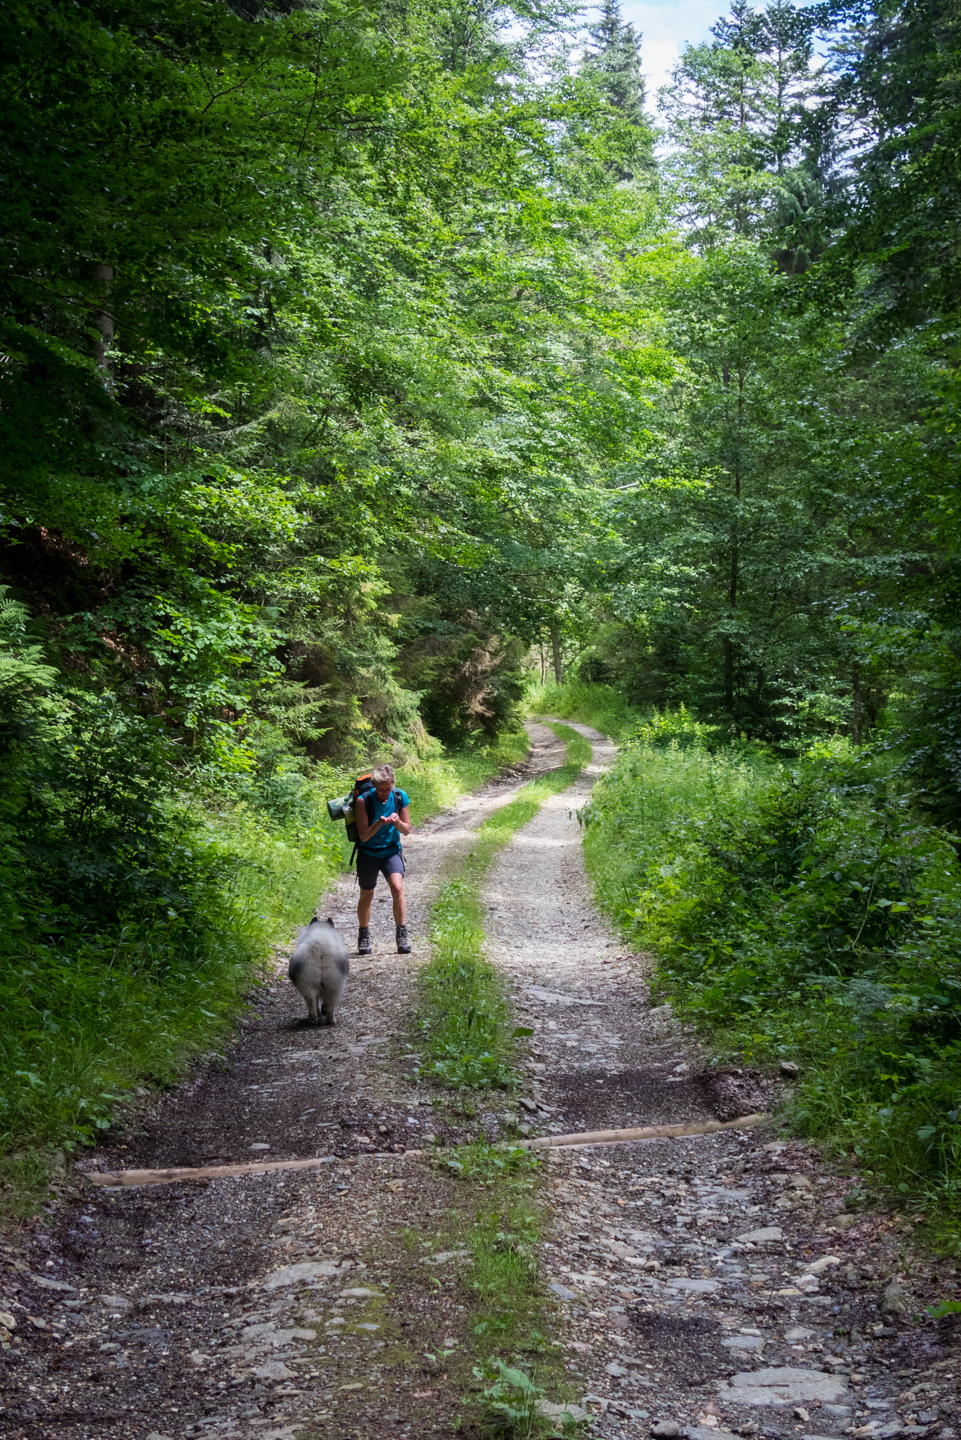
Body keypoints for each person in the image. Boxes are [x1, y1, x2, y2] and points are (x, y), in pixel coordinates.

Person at [354, 763, 412, 955]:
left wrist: (397, 823)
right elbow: (363, 836)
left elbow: (407, 830)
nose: (385, 793)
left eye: (388, 788)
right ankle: (364, 935)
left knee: (397, 887)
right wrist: (380, 822)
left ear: (393, 784)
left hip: (391, 851)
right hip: (369, 853)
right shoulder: (364, 801)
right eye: (381, 789)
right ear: (374, 787)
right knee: (366, 895)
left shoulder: (399, 797)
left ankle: (402, 934)